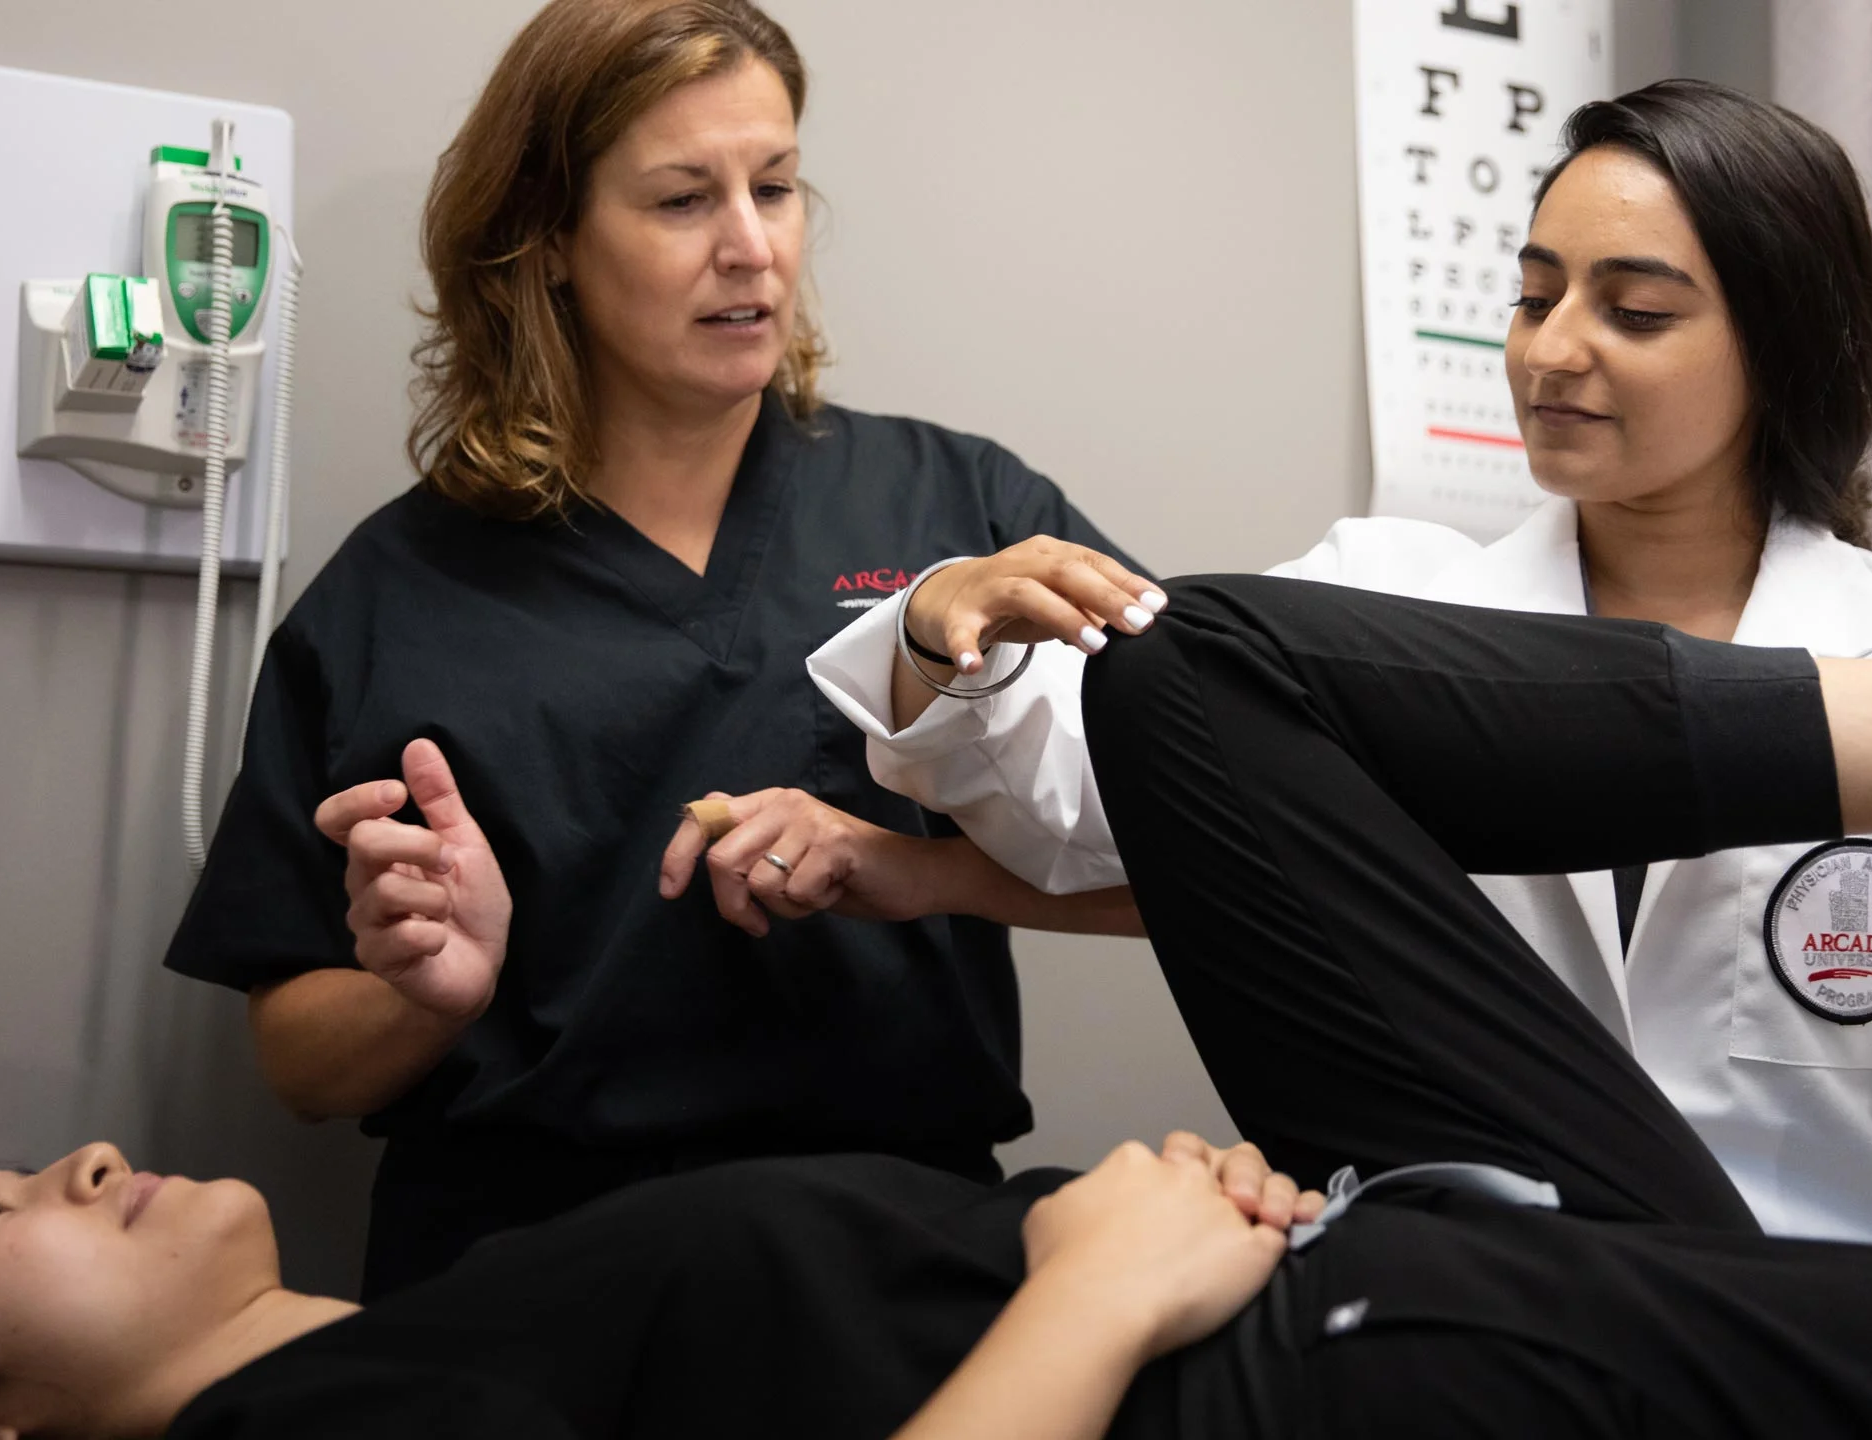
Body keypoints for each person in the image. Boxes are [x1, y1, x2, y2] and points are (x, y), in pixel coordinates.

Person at [0, 446, 1872, 1437]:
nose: (71, 1156)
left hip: (1379, 1250)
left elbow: (1173, 816)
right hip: (1324, 1349)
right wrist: (1090, 1275)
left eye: (776, 184)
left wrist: (942, 850)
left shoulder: (401, 1366)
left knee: (1195, 668)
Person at [814, 82, 1872, 1250]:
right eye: (1532, 295)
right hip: (1483, 1325)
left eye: (1633, 311)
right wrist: (950, 621)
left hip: (1814, 1347)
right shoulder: (1386, 607)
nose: (1551, 351)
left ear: (1784, 347)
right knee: (1189, 654)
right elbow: (1082, 811)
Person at [162, 0, 1145, 1299]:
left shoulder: (957, 515)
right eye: (684, 200)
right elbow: (296, 1064)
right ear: (549, 239)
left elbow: (1200, 864)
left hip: (895, 1255)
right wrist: (428, 990)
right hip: (522, 1279)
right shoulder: (398, 594)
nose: (752, 249)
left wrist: (912, 870)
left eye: (777, 186)